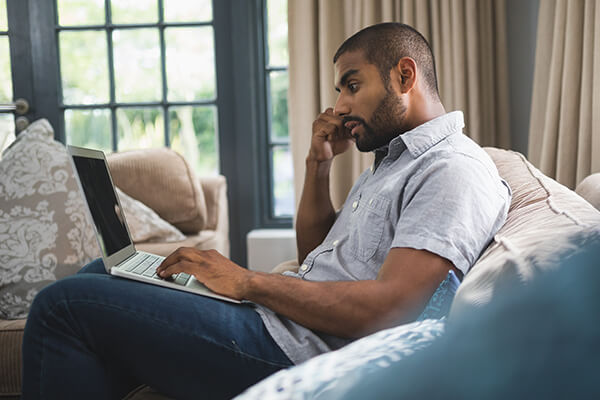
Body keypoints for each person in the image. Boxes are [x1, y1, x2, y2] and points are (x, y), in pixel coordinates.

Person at [22, 23, 511, 399]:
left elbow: (391, 310)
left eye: (351, 85)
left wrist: (246, 281)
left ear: (403, 75)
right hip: (284, 323)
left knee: (60, 308)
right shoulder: (392, 163)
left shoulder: (451, 169)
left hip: (303, 355)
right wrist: (317, 166)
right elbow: (318, 256)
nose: (338, 107)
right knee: (102, 275)